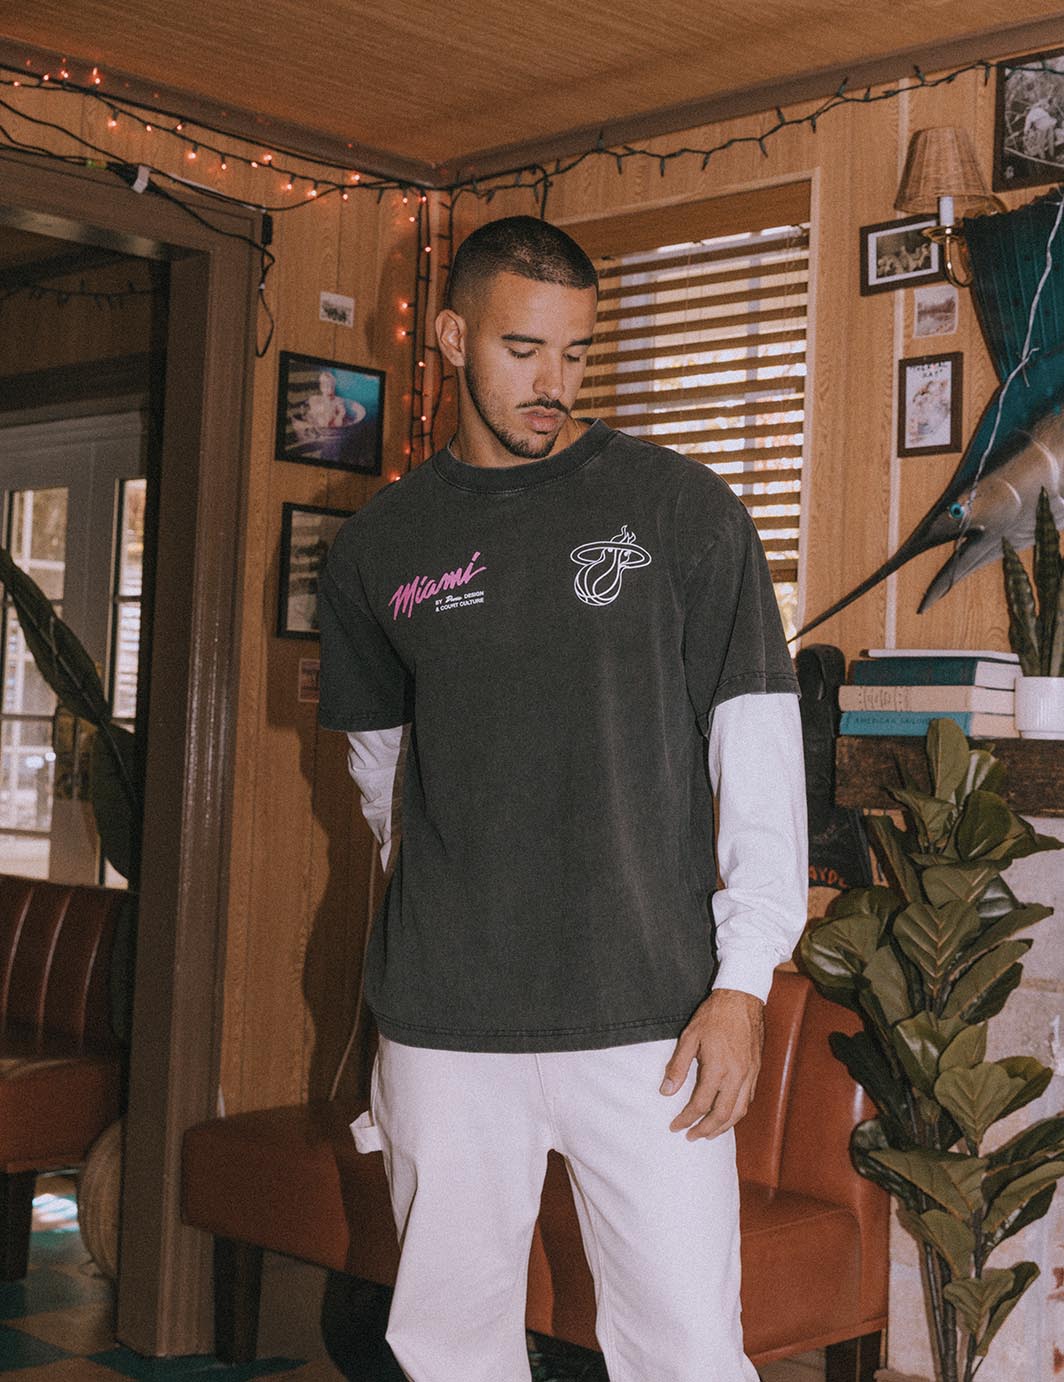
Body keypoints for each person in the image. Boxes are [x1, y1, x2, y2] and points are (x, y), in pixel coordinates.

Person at [318, 214, 807, 1382]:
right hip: (443, 1020)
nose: (553, 381)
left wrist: (743, 982)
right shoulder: (381, 543)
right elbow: (382, 776)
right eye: (522, 348)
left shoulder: (681, 510)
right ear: (450, 337)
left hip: (649, 1018)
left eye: (576, 352)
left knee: (687, 1351)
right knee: (448, 1346)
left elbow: (759, 758)